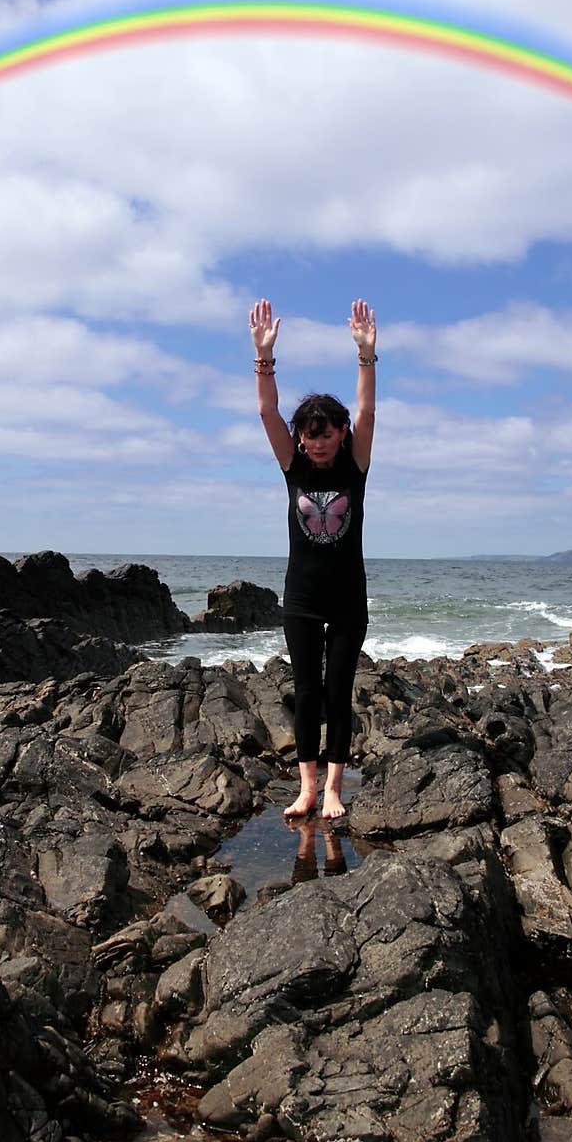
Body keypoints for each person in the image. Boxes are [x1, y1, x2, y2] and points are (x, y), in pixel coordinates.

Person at [250, 295, 377, 821]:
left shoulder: (356, 467)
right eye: (310, 434)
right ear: (300, 439)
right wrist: (264, 358)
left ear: (340, 434)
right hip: (301, 598)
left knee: (338, 691)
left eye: (327, 434)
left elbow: (368, 409)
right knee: (306, 692)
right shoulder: (292, 467)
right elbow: (265, 411)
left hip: (348, 598)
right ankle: (305, 787)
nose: (318, 442)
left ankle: (333, 789)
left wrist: (366, 356)